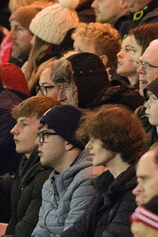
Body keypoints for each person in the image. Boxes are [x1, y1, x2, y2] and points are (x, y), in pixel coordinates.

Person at [62, 105, 148, 236]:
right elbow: (78, 229)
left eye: (93, 140)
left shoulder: (136, 190)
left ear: (114, 139)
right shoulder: (105, 183)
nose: (87, 146)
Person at [34, 105, 105, 237]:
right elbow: (39, 232)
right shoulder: (49, 184)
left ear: (68, 141)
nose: (37, 142)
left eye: (44, 135)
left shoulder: (89, 180)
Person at [4, 96, 58, 237]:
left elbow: (25, 231)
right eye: (16, 123)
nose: (13, 130)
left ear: (45, 128)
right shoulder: (25, 167)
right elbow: (15, 222)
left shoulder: (46, 177)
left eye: (23, 124)